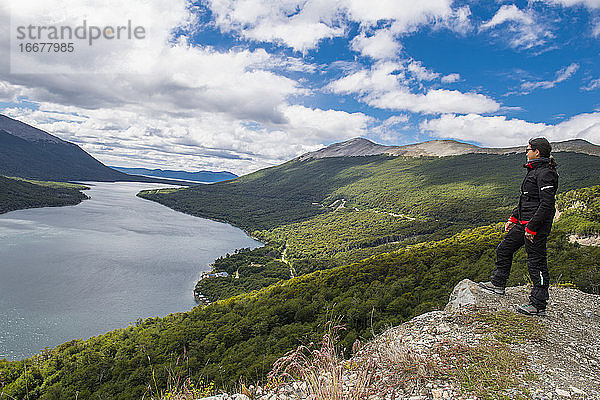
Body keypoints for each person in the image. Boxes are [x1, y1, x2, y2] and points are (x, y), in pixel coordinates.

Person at [479, 137, 559, 316]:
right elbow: (526, 200)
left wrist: (532, 227)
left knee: (536, 263)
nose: (526, 152)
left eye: (528, 149)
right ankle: (498, 283)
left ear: (537, 152)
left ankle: (538, 304)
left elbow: (547, 205)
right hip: (523, 223)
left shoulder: (546, 173)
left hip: (535, 227)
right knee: (504, 249)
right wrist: (514, 218)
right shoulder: (533, 171)